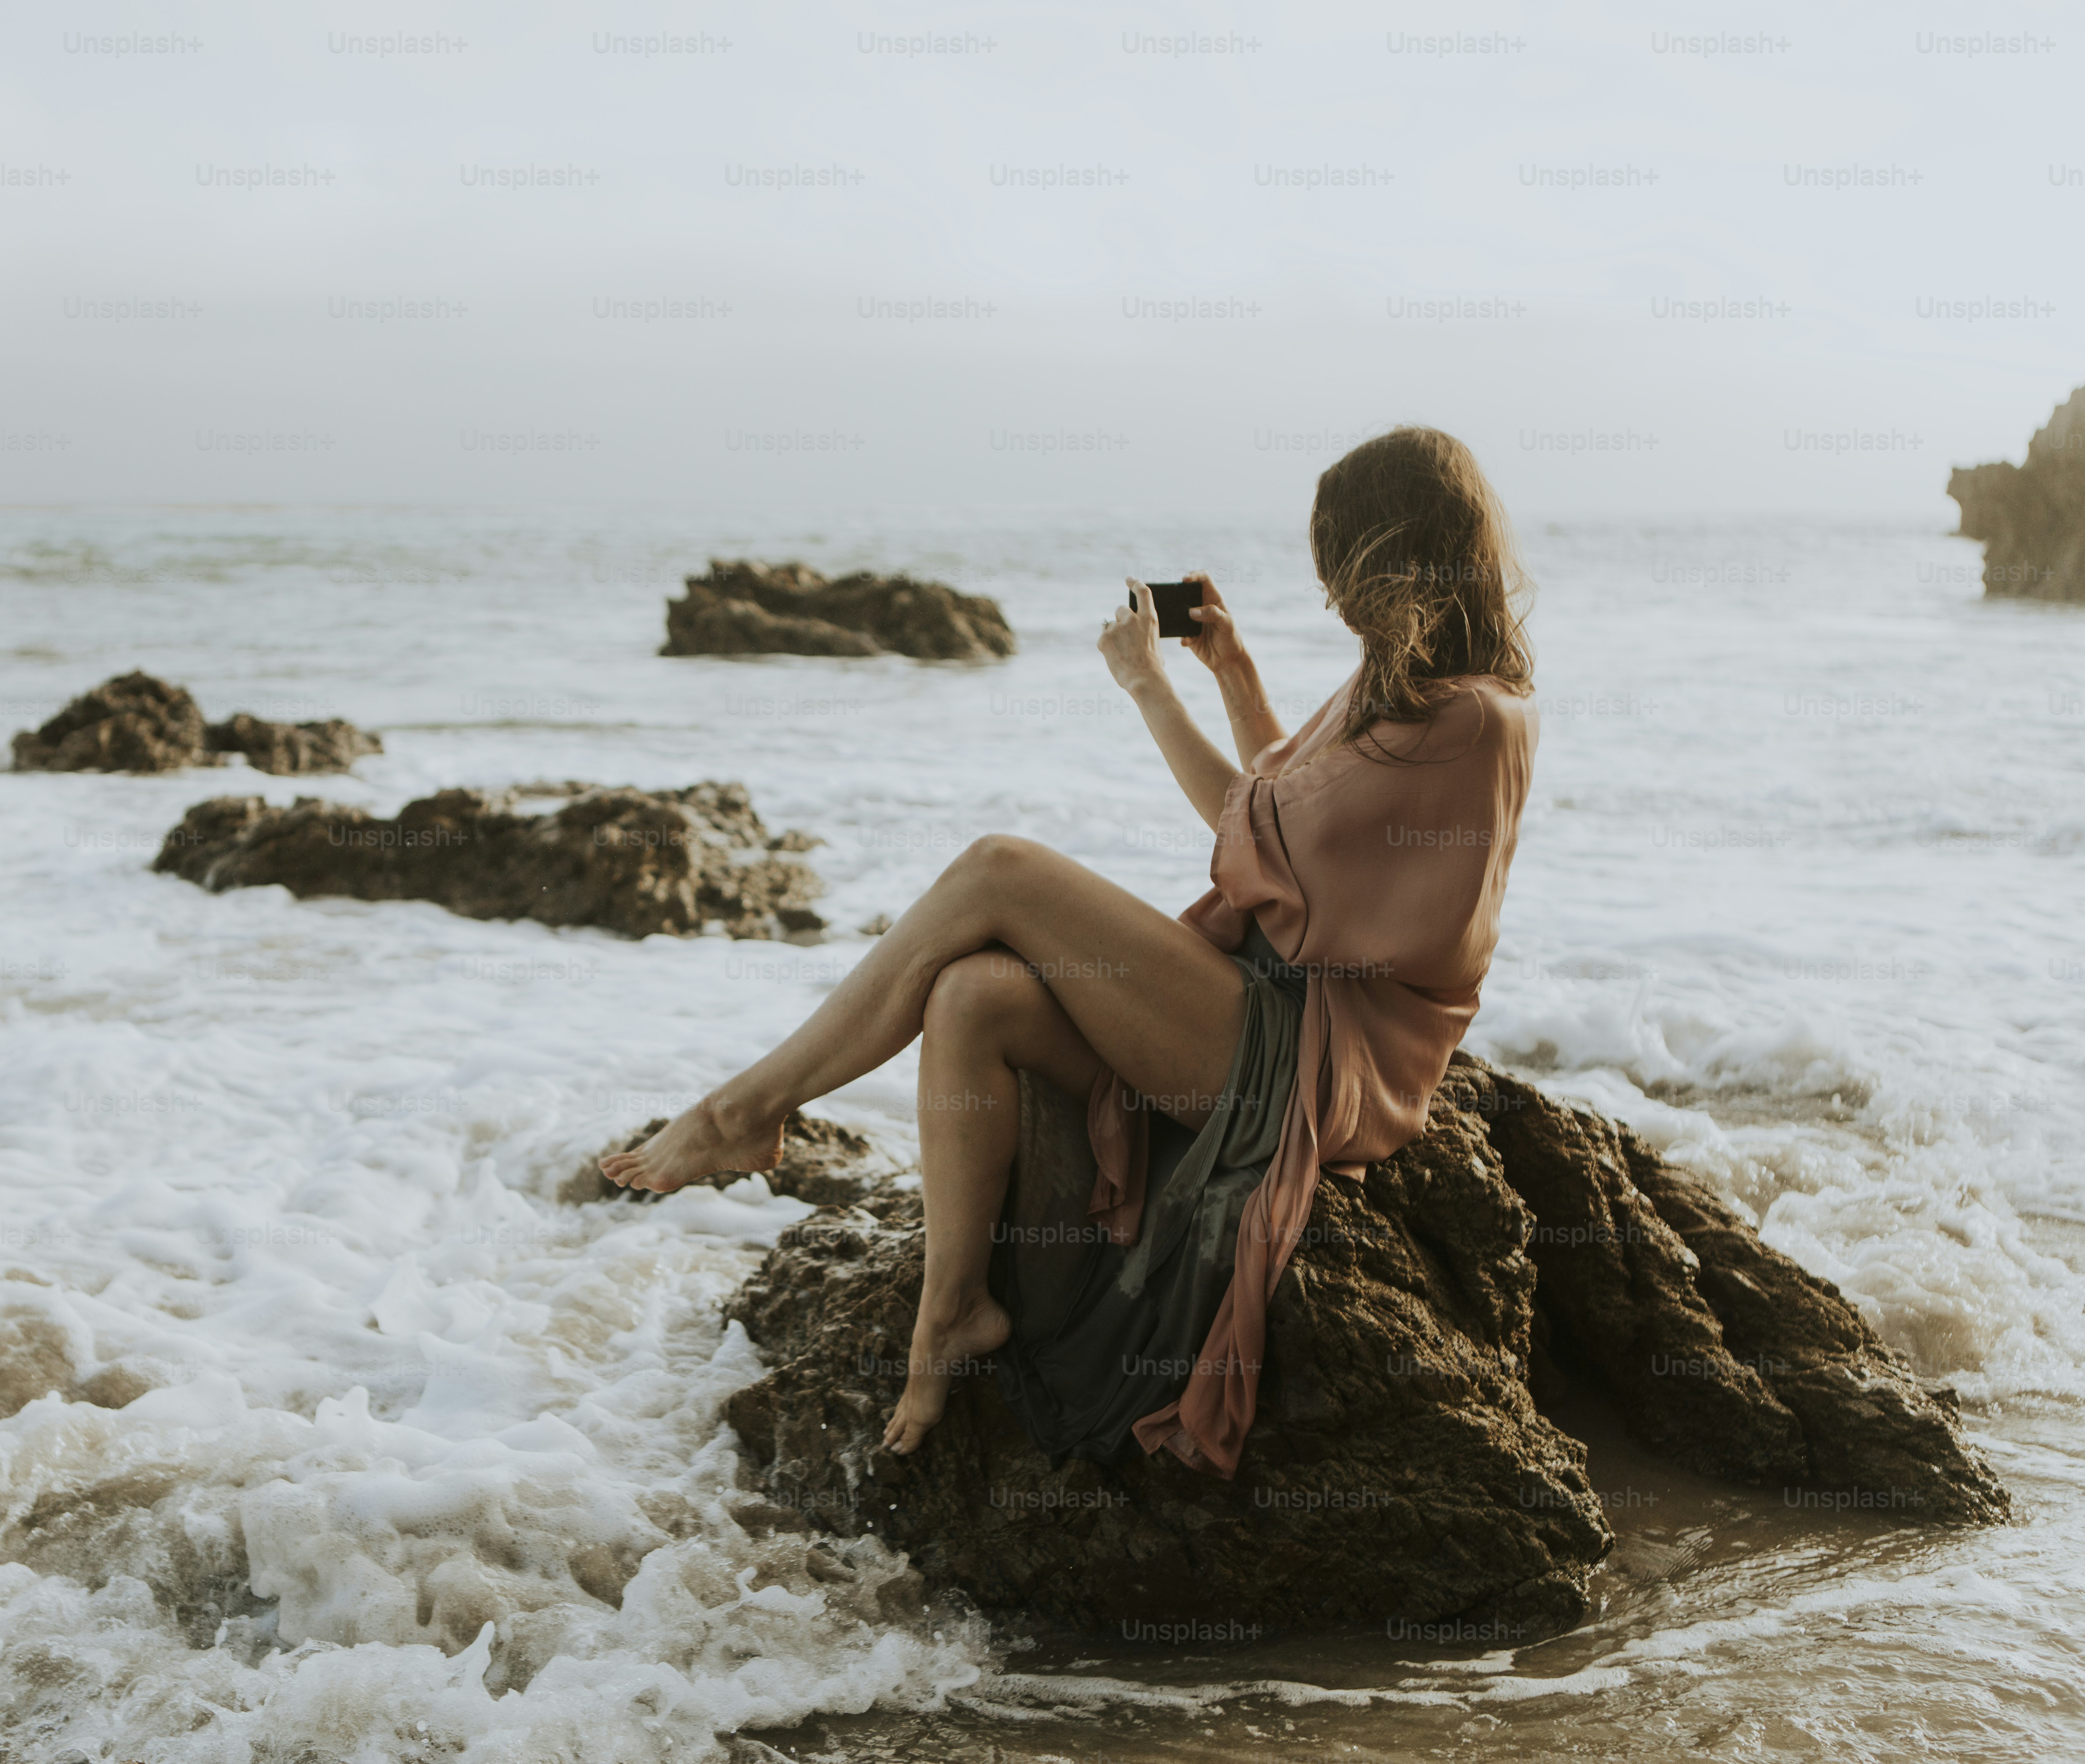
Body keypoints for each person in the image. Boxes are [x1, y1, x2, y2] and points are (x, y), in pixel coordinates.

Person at [603, 425, 1538, 1474]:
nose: (1330, 595)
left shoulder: (1475, 718)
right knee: (972, 996)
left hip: (1322, 1059)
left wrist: (1148, 690)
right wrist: (1230, 669)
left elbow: (1252, 833)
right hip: (1266, 1009)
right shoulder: (1400, 689)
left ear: (1396, 553)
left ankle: (746, 1111)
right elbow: (1290, 802)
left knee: (1000, 868)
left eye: (1340, 566)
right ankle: (951, 1313)